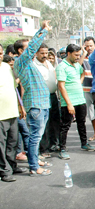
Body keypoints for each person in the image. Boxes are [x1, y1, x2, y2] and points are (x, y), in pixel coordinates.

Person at [14, 20, 53, 176]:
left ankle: (35, 161)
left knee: (36, 137)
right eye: (27, 48)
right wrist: (42, 30)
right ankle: (33, 167)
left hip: (42, 104)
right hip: (36, 106)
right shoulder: (21, 62)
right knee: (34, 137)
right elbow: (31, 49)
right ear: (20, 51)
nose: (32, 50)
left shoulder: (29, 64)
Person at [57, 44, 95, 160]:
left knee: (82, 123)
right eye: (76, 55)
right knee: (65, 126)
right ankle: (62, 149)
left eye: (79, 55)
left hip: (80, 100)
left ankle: (84, 144)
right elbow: (61, 86)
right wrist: (69, 103)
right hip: (69, 102)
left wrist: (79, 82)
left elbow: (82, 72)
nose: (78, 57)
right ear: (68, 54)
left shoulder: (76, 65)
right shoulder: (62, 67)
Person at [0, 44, 28, 182]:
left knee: (13, 142)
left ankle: (12, 166)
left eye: (0, 53)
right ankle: (4, 171)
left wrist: (20, 106)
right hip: (1, 116)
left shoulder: (6, 67)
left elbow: (14, 87)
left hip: (12, 112)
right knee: (1, 145)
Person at [34, 43, 60, 157]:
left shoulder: (49, 63)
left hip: (52, 95)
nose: (44, 55)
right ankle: (44, 149)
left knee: (55, 121)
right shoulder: (34, 65)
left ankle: (54, 144)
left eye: (46, 53)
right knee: (44, 124)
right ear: (36, 53)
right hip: (41, 97)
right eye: (42, 53)